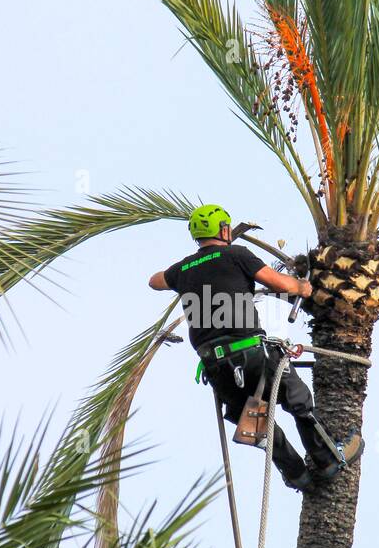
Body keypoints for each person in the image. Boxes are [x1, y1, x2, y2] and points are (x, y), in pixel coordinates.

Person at [149, 204, 363, 492]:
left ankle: (297, 475)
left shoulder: (181, 270)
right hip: (250, 353)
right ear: (225, 230)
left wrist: (189, 272)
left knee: (257, 422)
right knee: (297, 399)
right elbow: (277, 282)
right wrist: (302, 288)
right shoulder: (236, 254)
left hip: (216, 367)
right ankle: (327, 459)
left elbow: (154, 281)